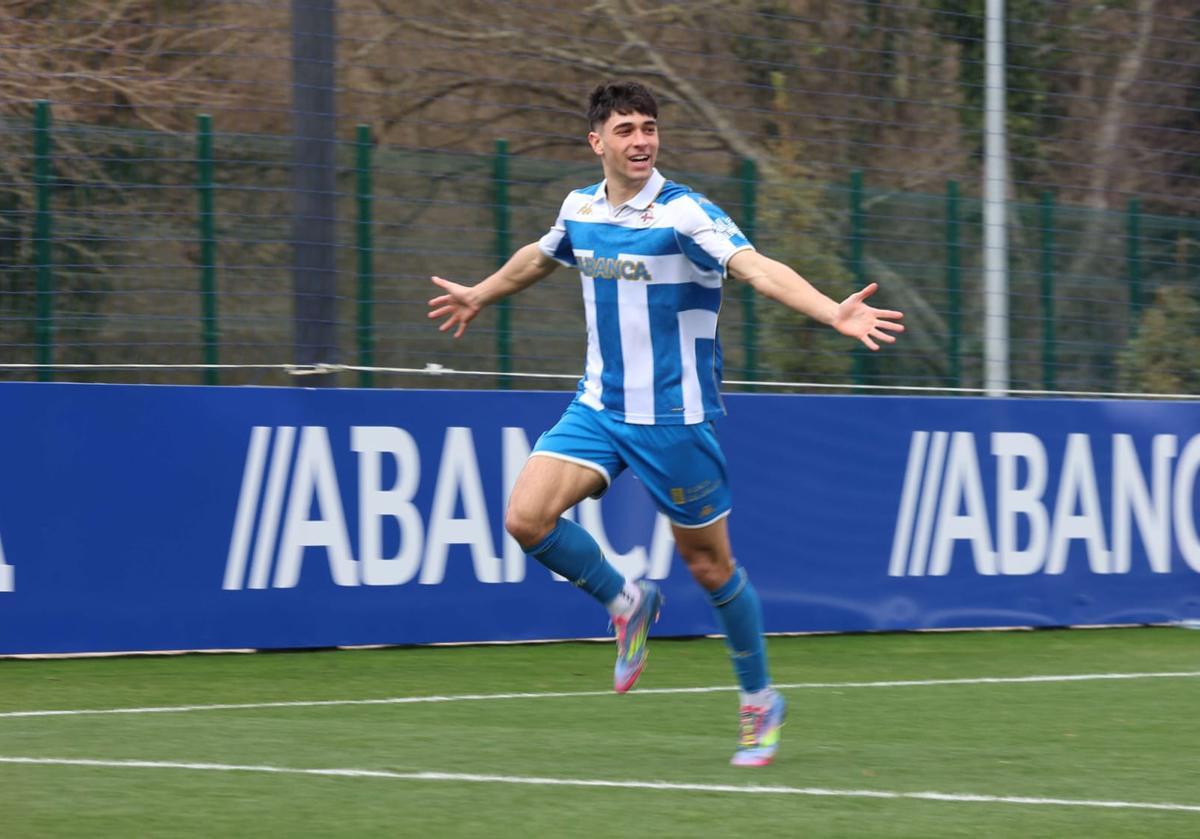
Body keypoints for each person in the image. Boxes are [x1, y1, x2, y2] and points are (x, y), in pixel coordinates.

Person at [428, 80, 904, 767]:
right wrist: (480, 291)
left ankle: (759, 697)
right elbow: (542, 255)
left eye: (648, 127)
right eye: (625, 129)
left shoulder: (685, 215)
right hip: (597, 407)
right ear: (598, 142)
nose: (641, 140)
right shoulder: (580, 207)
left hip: (676, 421)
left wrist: (833, 310)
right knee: (525, 518)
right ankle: (626, 600)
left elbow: (756, 266)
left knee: (710, 565)